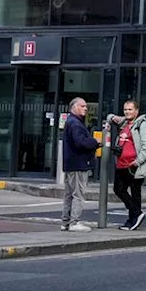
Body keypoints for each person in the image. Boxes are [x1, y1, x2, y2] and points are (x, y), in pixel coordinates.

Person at [105, 100, 146, 231]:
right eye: (125, 109)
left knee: (135, 192)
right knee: (118, 189)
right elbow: (110, 117)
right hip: (121, 164)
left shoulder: (142, 125)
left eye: (130, 109)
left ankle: (133, 219)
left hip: (134, 165)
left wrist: (137, 162)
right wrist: (112, 119)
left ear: (137, 111)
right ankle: (136, 214)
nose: (127, 112)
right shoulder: (125, 122)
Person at [61, 97, 99, 232]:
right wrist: (94, 142)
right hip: (78, 164)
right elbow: (81, 142)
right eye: (82, 106)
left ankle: (65, 222)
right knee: (78, 194)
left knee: (69, 194)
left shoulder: (71, 122)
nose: (86, 108)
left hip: (71, 164)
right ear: (74, 107)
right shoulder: (76, 124)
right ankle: (74, 222)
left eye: (86, 106)